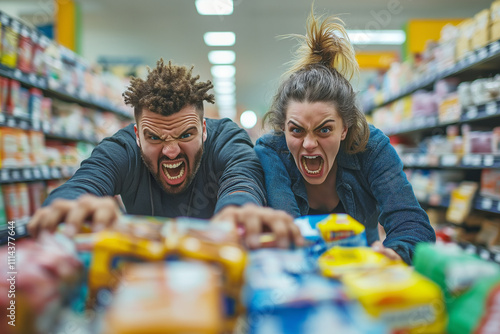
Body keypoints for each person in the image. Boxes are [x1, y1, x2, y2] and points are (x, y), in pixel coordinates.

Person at [29, 59, 303, 249]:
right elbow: (85, 182)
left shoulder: (227, 139)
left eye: (186, 135)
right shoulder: (122, 148)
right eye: (154, 137)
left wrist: (238, 211)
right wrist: (68, 206)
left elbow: (242, 179)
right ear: (137, 135)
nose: (171, 151)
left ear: (204, 130)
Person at [254, 12, 435, 264]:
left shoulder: (372, 149)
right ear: (282, 127)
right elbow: (291, 232)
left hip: (365, 273)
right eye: (296, 130)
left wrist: (392, 255)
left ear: (345, 128)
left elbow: (414, 226)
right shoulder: (271, 151)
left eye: (324, 129)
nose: (308, 144)